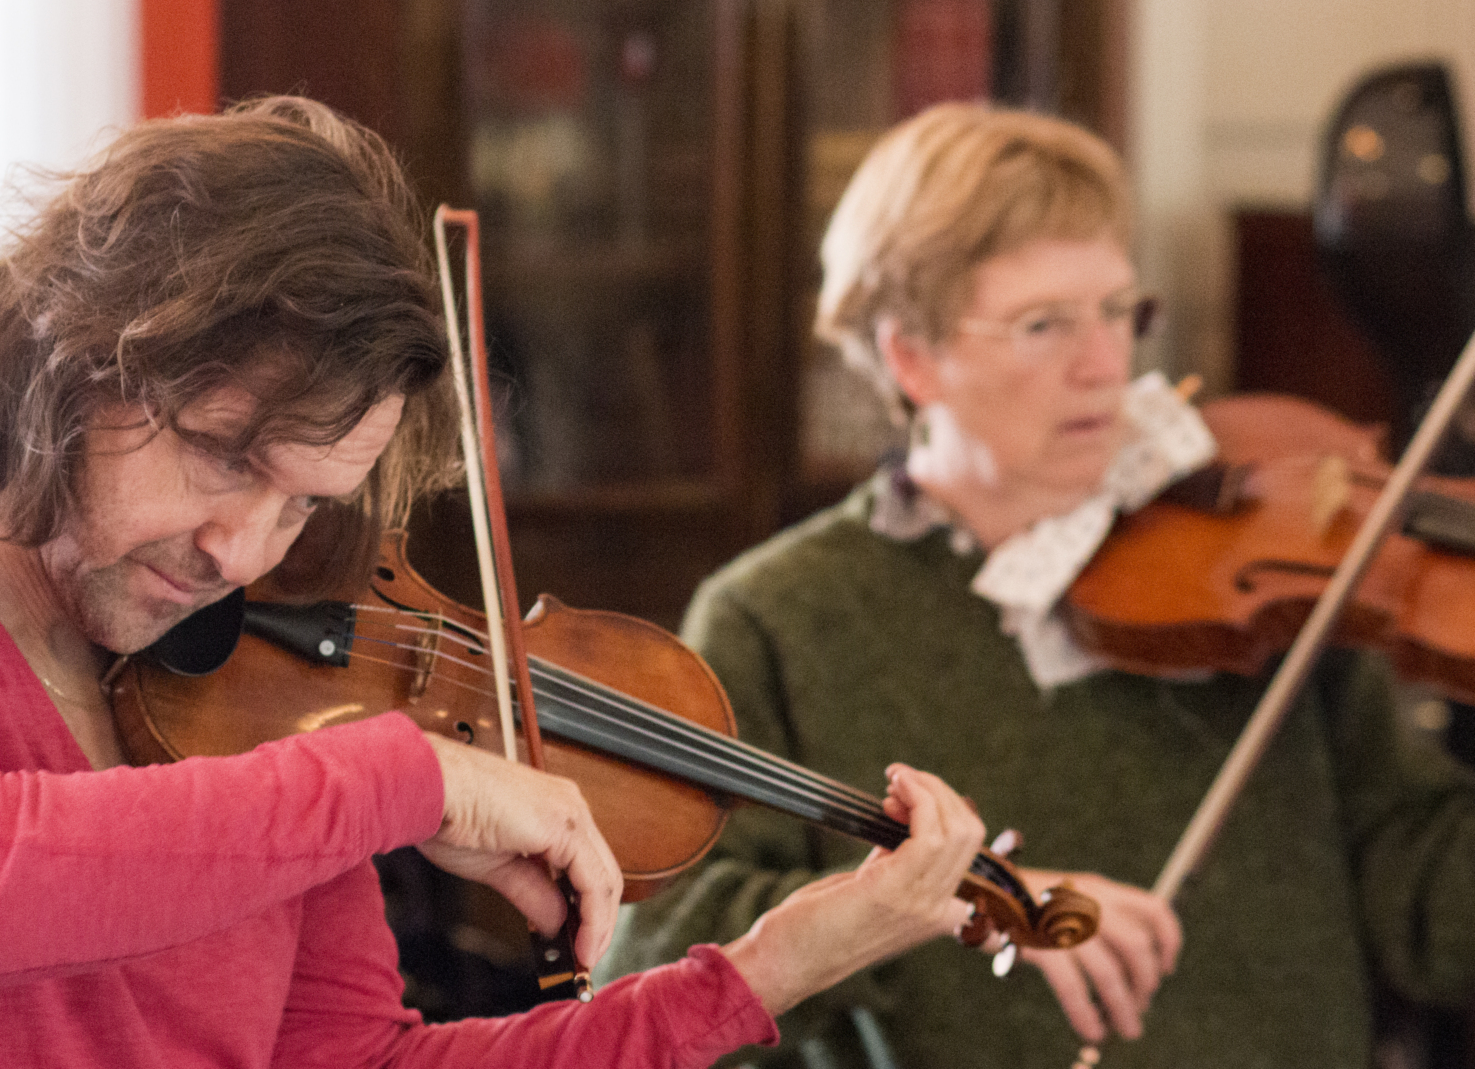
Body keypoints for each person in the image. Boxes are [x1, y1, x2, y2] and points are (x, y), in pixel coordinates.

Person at [0, 96, 997, 1069]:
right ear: (75, 361)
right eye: (224, 457)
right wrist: (410, 774)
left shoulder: (251, 701)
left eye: (304, 500)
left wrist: (762, 973)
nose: (243, 553)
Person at [596, 102, 1475, 1069]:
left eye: (1118, 312)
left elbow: (1427, 911)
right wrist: (959, 901)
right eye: (1043, 324)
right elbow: (652, 969)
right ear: (910, 356)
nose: (1106, 366)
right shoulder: (778, 616)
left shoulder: (1272, 586)